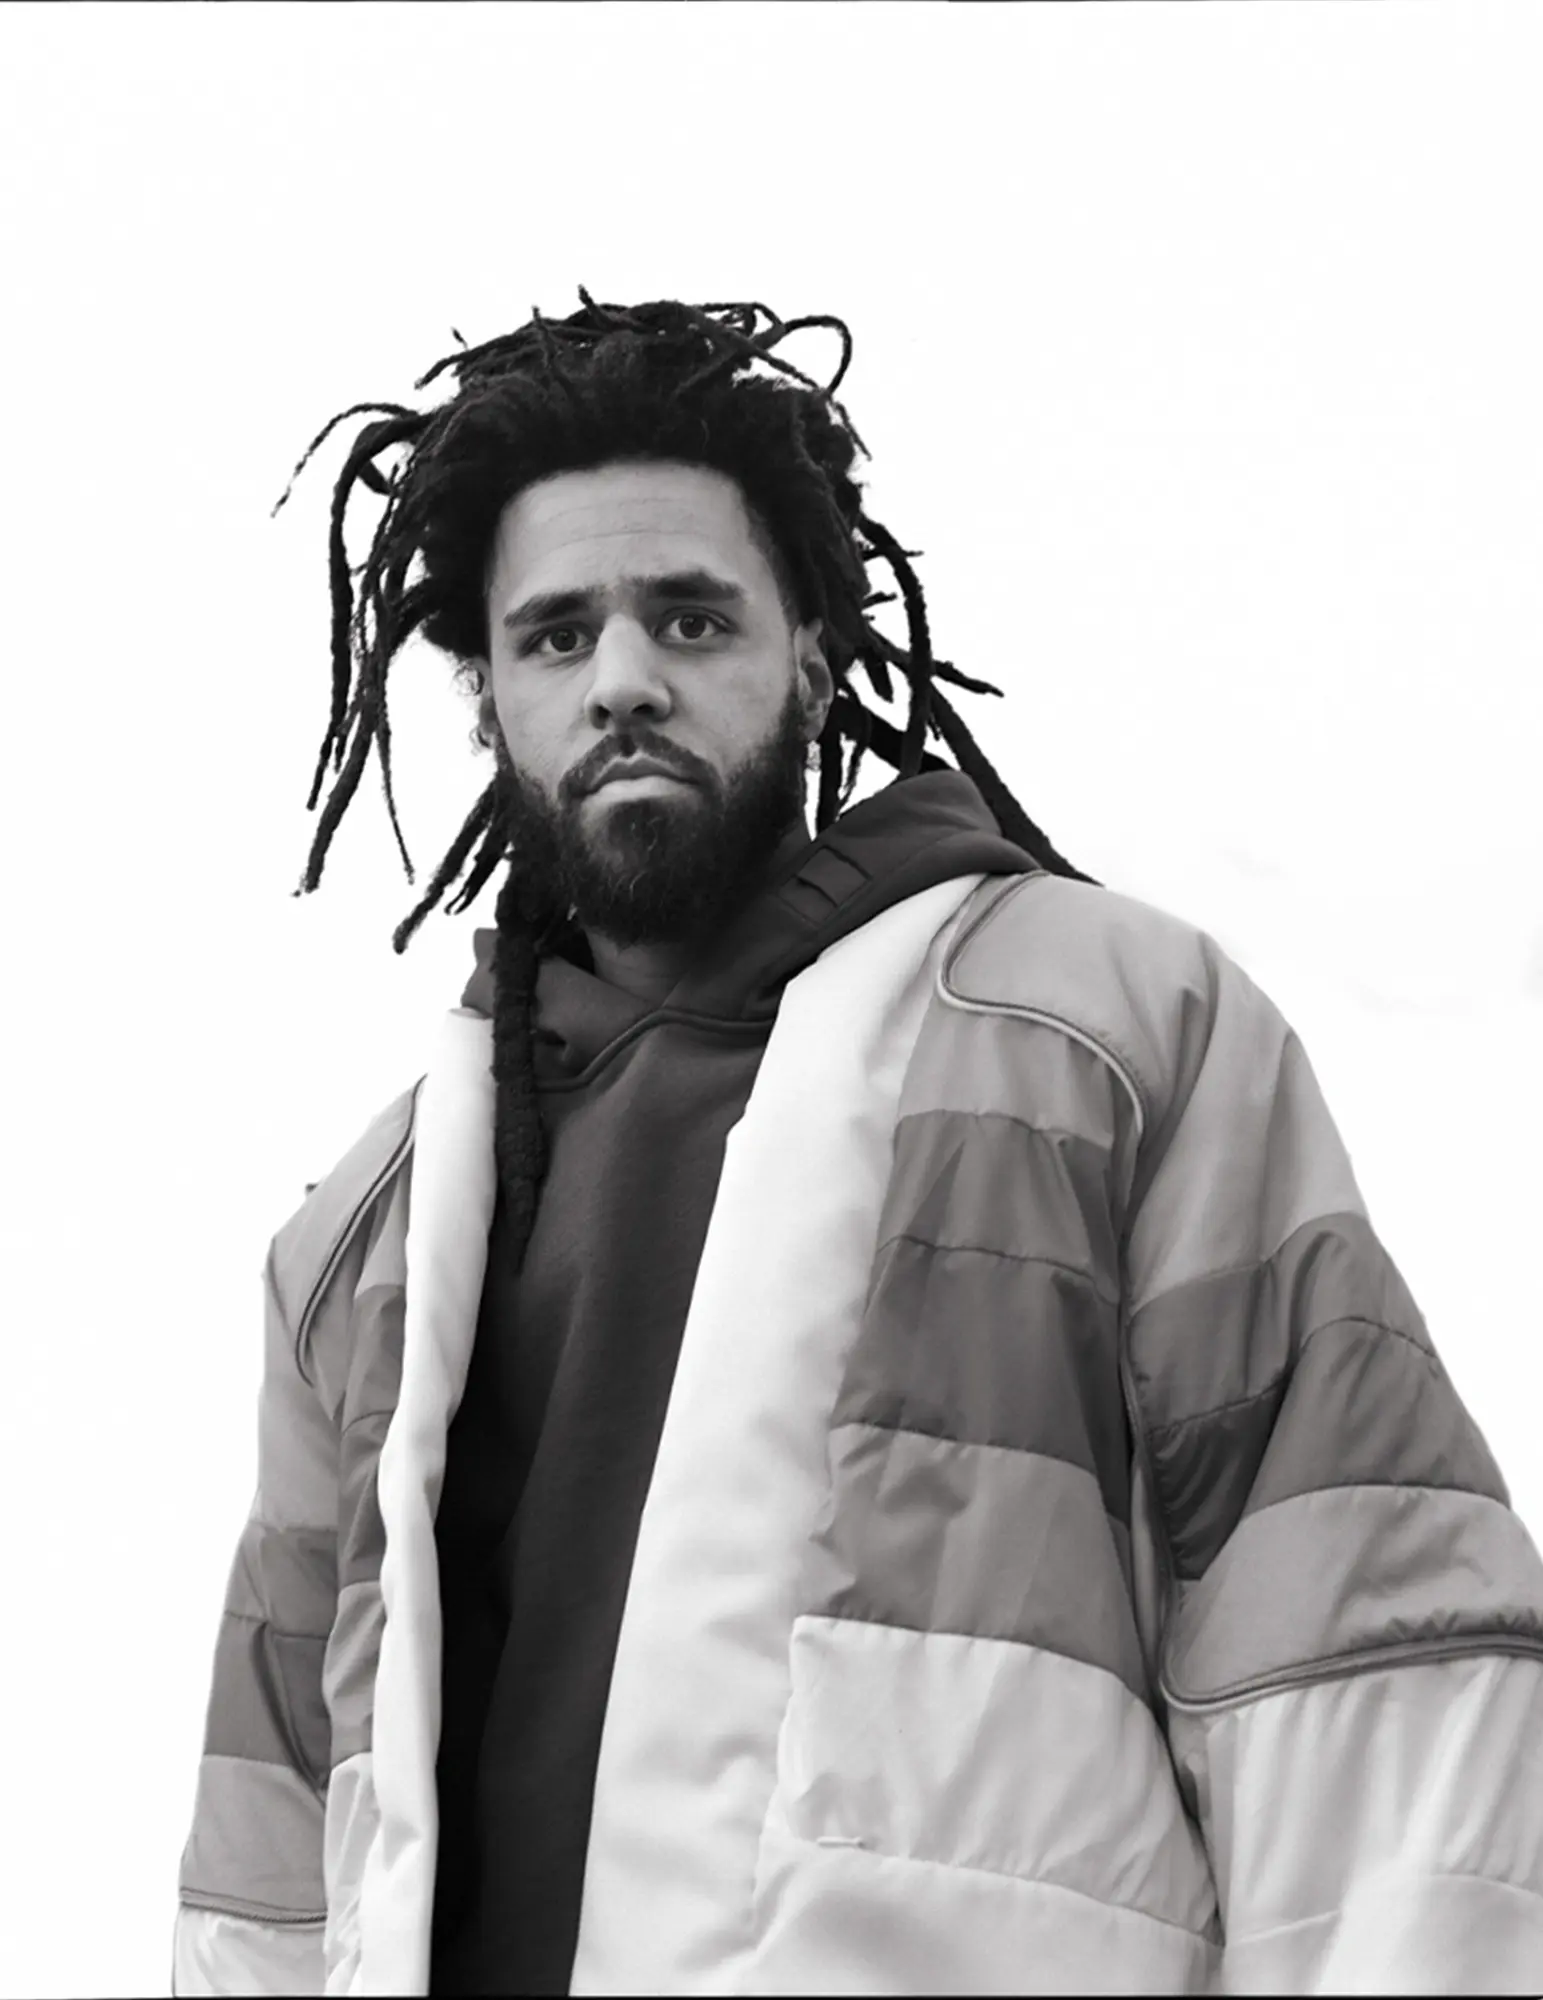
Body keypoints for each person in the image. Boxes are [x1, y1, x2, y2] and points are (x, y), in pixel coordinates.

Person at [173, 294, 1543, 1998]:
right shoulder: (352, 1250)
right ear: (488, 699)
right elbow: (265, 1871)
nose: (623, 681)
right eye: (555, 635)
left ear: (813, 657)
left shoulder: (1106, 1031)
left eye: (690, 618)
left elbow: (1366, 1672)